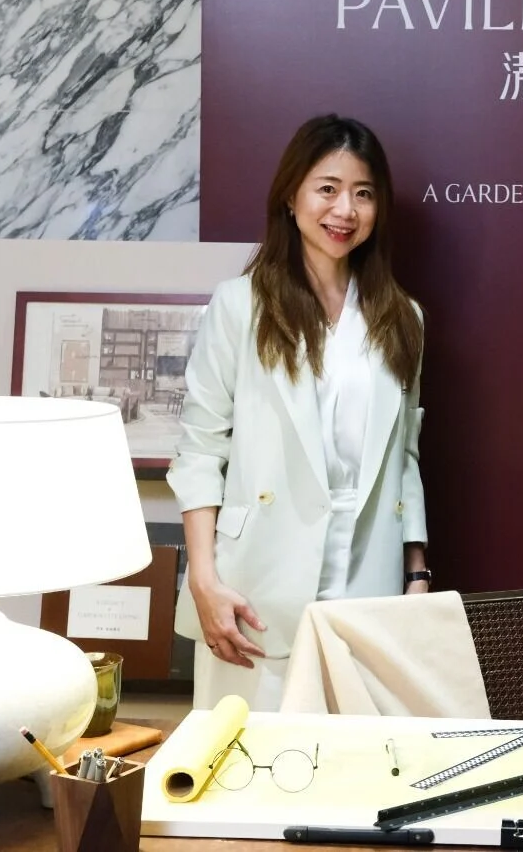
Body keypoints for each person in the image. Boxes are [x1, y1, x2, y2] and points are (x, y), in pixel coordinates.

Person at [169, 114, 431, 710]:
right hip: (256, 580)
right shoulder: (240, 305)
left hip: (368, 571)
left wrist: (416, 572)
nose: (345, 210)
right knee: (250, 751)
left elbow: (405, 456)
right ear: (291, 196)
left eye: (363, 194)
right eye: (327, 188)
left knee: (355, 754)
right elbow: (201, 448)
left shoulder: (403, 318)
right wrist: (203, 579)